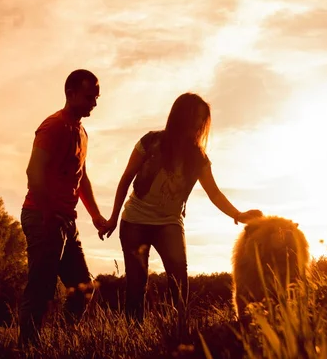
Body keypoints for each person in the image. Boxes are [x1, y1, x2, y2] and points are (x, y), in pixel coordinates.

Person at [101, 92, 263, 326]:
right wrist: (114, 217)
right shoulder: (150, 141)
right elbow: (126, 179)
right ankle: (133, 334)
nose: (199, 124)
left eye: (202, 119)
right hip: (135, 221)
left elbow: (214, 193)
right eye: (195, 117)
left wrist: (238, 214)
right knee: (136, 286)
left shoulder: (198, 158)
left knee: (179, 285)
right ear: (181, 116)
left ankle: (180, 334)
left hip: (169, 224)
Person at [19, 69, 108, 346]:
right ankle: (28, 348)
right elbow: (34, 172)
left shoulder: (82, 132)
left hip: (66, 222)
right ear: (71, 94)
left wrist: (96, 216)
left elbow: (81, 178)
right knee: (41, 290)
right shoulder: (53, 126)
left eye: (97, 96)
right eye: (89, 96)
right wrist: (49, 215)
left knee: (83, 288)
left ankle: (63, 342)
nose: (94, 102)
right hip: (42, 216)